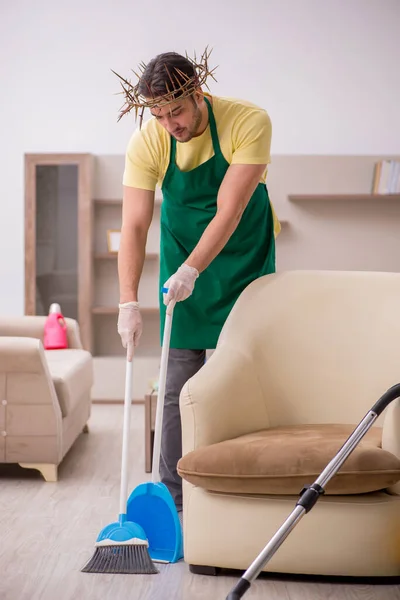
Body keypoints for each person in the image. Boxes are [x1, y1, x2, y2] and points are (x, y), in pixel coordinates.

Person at [116, 49, 280, 514]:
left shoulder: (248, 121)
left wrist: (194, 270)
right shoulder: (148, 141)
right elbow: (132, 225)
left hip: (243, 256)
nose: (170, 124)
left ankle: (236, 487)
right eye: (160, 115)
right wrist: (127, 302)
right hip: (182, 253)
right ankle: (171, 498)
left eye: (177, 111)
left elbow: (229, 211)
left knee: (240, 376)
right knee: (175, 384)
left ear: (198, 93)